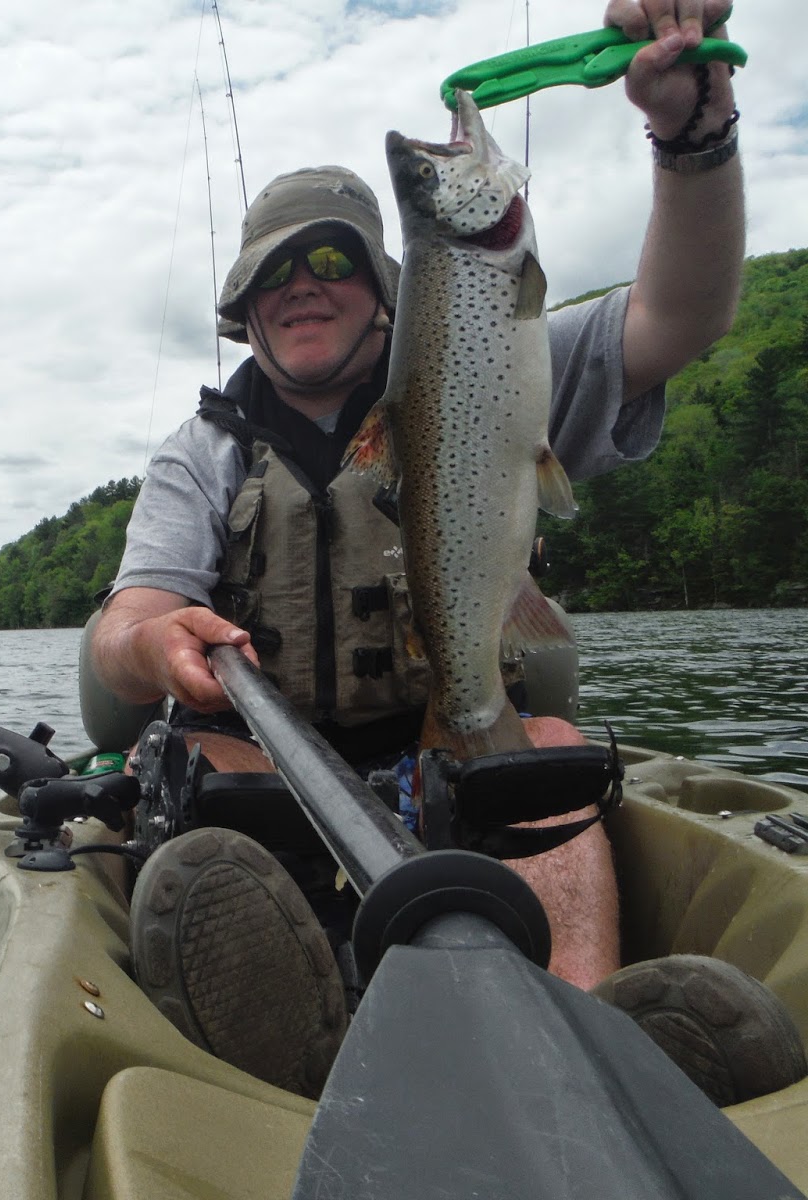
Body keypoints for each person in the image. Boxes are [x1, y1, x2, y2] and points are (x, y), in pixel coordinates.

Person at [93, 0, 805, 1103]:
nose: (301, 285)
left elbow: (684, 315)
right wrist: (150, 649)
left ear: (384, 282)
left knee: (548, 745)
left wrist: (691, 141)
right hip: (271, 760)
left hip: (448, 756)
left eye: (330, 256)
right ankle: (313, 1053)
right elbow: (126, 620)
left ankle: (573, 1042)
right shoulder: (201, 455)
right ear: (242, 309)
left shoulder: (491, 344)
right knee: (203, 819)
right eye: (272, 273)